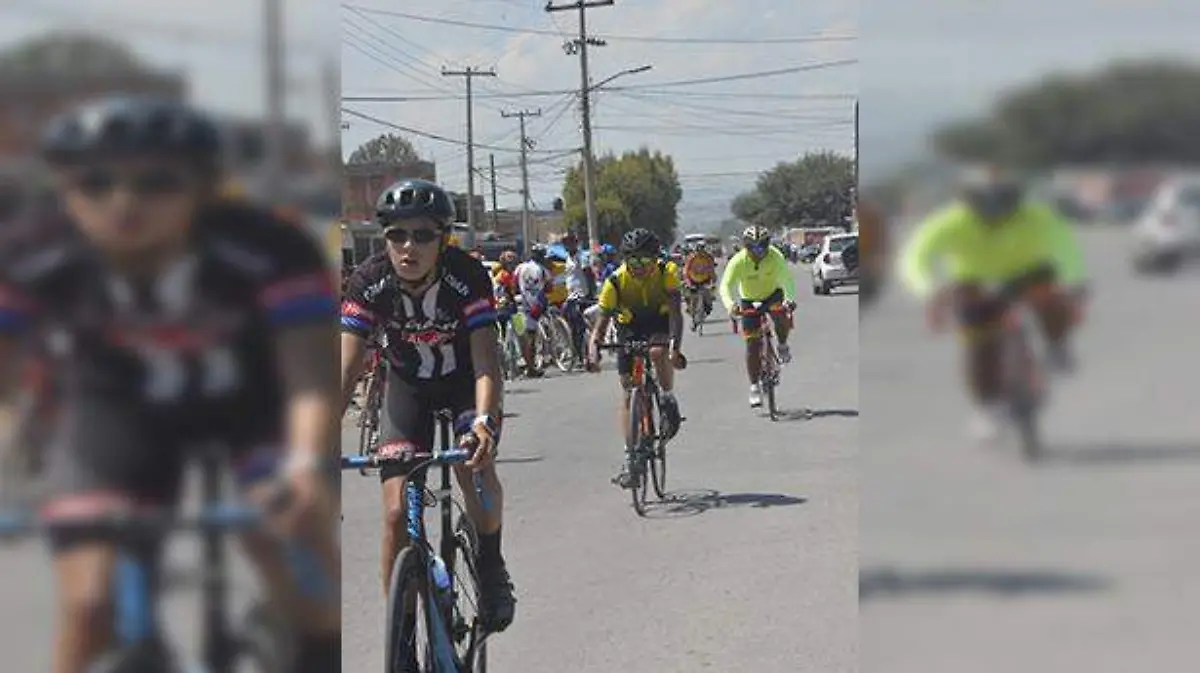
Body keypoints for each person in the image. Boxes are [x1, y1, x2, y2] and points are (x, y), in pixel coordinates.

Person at [0, 96, 342, 673]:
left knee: (293, 551)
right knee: (89, 608)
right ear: (64, 189)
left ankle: (314, 645)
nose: (123, 202)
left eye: (157, 182)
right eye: (94, 183)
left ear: (204, 188)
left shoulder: (271, 249)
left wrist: (304, 467)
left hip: (255, 404)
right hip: (114, 409)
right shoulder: (34, 252)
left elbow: (309, 377)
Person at [338, 179, 516, 647]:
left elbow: (485, 361)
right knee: (396, 513)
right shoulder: (368, 281)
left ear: (444, 238)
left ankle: (492, 564)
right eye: (397, 235)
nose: (408, 246)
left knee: (474, 476)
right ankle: (402, 634)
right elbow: (349, 364)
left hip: (463, 385)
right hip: (409, 387)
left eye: (422, 235)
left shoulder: (467, 276)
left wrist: (483, 423)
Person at [897, 164, 1087, 440]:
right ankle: (987, 406)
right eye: (986, 203)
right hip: (975, 283)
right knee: (976, 343)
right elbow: (915, 257)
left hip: (1028, 275)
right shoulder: (950, 222)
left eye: (1003, 203)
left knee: (1053, 297)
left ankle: (1057, 345)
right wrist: (929, 291)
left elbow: (1066, 247)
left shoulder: (1036, 216)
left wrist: (1074, 281)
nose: (996, 212)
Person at [585, 229, 686, 487]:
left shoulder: (668, 273)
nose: (638, 267)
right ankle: (631, 458)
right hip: (629, 326)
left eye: (644, 261)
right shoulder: (615, 281)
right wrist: (593, 349)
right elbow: (602, 321)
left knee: (656, 351)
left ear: (656, 259)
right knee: (629, 391)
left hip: (659, 321)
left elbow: (675, 313)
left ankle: (666, 396)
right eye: (632, 261)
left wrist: (675, 347)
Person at [719, 225, 797, 408]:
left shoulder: (775, 256)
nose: (758, 252)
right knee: (752, 345)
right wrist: (731, 306)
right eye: (752, 248)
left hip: (772, 295)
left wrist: (789, 299)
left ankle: (783, 344)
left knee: (780, 315)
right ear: (745, 247)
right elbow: (725, 286)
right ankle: (754, 386)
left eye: (762, 247)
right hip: (749, 300)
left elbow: (787, 280)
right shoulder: (738, 261)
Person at [513, 246, 553, 378]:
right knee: (531, 336)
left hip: (519, 304)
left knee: (520, 336)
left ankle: (522, 363)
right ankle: (531, 368)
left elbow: (514, 285)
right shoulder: (542, 269)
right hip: (534, 306)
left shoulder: (520, 267)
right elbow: (549, 287)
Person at [557, 232, 592, 362]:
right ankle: (576, 352)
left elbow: (588, 274)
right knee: (569, 325)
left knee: (579, 327)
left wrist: (590, 293)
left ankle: (584, 354)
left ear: (576, 243)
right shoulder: (568, 258)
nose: (568, 245)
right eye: (565, 243)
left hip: (581, 296)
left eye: (570, 242)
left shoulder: (581, 257)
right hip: (571, 296)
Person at [681, 241, 718, 320]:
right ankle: (690, 308)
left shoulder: (708, 258)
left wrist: (713, 281)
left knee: (708, 296)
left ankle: (707, 307)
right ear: (696, 250)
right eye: (699, 250)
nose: (701, 252)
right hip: (692, 280)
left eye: (703, 249)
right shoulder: (691, 258)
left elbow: (711, 270)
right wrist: (688, 283)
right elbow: (686, 271)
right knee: (688, 293)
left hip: (705, 280)